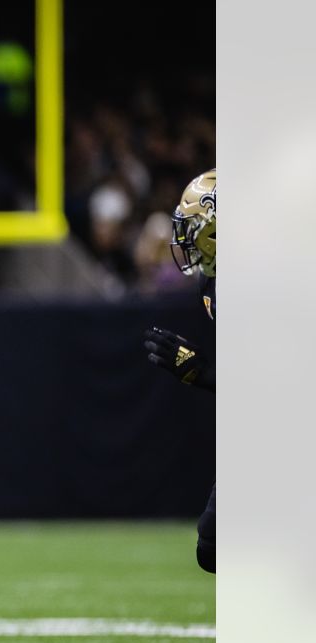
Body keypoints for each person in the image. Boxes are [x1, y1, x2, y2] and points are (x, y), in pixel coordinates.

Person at [142, 169, 216, 574]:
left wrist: (204, 373)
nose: (183, 238)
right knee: (213, 545)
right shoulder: (214, 280)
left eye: (194, 229)